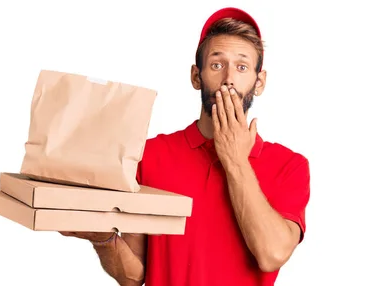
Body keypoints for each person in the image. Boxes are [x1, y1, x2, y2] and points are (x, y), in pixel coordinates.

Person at [60, 7, 310, 286]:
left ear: (259, 82)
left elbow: (272, 254)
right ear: (196, 76)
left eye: (242, 67)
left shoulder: (290, 166)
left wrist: (235, 160)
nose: (228, 78)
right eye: (217, 64)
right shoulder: (151, 155)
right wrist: (102, 238)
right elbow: (133, 276)